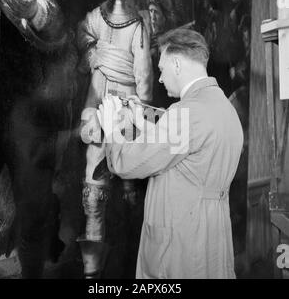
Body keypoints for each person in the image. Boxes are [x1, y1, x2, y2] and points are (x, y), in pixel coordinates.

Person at [98, 26, 244, 278]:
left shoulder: (186, 114)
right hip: (210, 240)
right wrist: (141, 113)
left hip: (180, 249)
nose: (162, 78)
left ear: (177, 63)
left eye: (162, 68)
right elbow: (181, 137)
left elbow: (127, 163)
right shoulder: (222, 107)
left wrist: (112, 129)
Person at [77, 0, 153, 278]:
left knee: (130, 189)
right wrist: (94, 54)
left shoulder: (138, 26)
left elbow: (143, 80)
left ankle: (131, 261)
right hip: (96, 110)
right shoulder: (94, 17)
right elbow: (81, 43)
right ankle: (92, 271)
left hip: (127, 113)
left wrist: (141, 120)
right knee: (93, 193)